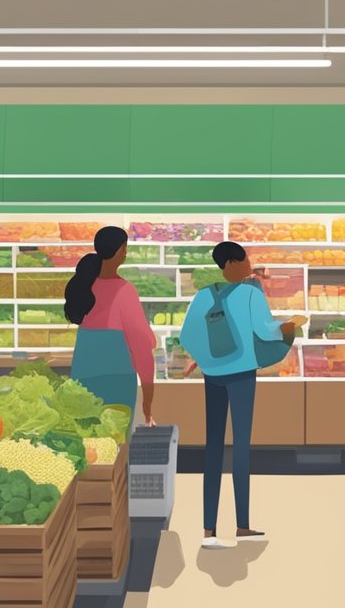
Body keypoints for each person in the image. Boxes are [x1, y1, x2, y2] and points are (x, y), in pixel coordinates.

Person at [180, 241, 304, 549]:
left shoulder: (203, 295)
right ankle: (242, 525)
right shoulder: (250, 293)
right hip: (241, 376)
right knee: (241, 448)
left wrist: (207, 360)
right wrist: (290, 326)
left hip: (213, 377)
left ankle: (209, 531)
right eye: (246, 258)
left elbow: (187, 336)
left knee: (213, 448)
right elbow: (265, 331)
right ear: (233, 262)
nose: (250, 263)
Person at [65, 226, 158, 428]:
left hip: (82, 376)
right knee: (115, 445)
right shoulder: (124, 291)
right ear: (121, 250)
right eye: (125, 247)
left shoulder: (83, 285)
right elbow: (142, 347)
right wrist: (148, 401)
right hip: (115, 379)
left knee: (87, 442)